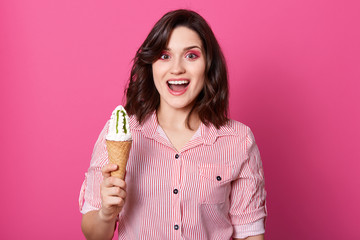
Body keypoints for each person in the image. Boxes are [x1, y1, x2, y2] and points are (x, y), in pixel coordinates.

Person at [79, 9, 267, 240]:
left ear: (209, 65)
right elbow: (93, 233)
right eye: (165, 56)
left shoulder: (238, 139)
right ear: (151, 65)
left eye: (191, 56)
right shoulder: (119, 133)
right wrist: (106, 214)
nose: (176, 68)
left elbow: (250, 234)